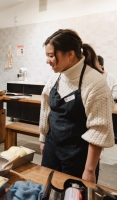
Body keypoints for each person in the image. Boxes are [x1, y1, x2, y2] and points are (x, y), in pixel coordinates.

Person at [39, 29, 115, 183]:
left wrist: (89, 170)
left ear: (70, 54)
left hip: (78, 155)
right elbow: (46, 107)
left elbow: (98, 130)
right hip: (52, 146)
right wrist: (42, 139)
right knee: (48, 188)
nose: (47, 61)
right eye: (47, 56)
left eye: (51, 56)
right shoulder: (56, 76)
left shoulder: (95, 83)